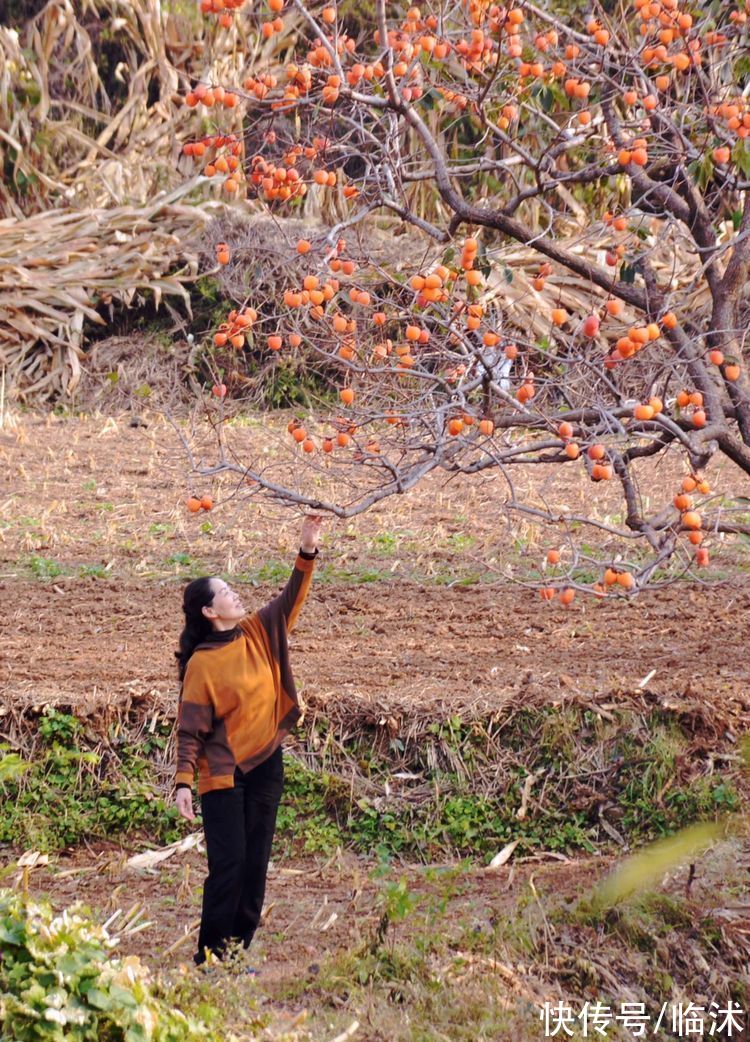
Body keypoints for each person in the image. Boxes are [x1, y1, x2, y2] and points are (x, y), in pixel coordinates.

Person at [173, 514, 323, 968]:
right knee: (229, 867)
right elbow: (191, 727)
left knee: (255, 867)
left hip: (265, 764)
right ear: (209, 611)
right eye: (224, 592)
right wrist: (183, 781)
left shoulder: (258, 631)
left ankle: (236, 955)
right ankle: (209, 960)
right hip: (223, 776)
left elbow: (291, 598)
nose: (234, 594)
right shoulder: (202, 665)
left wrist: (308, 547)